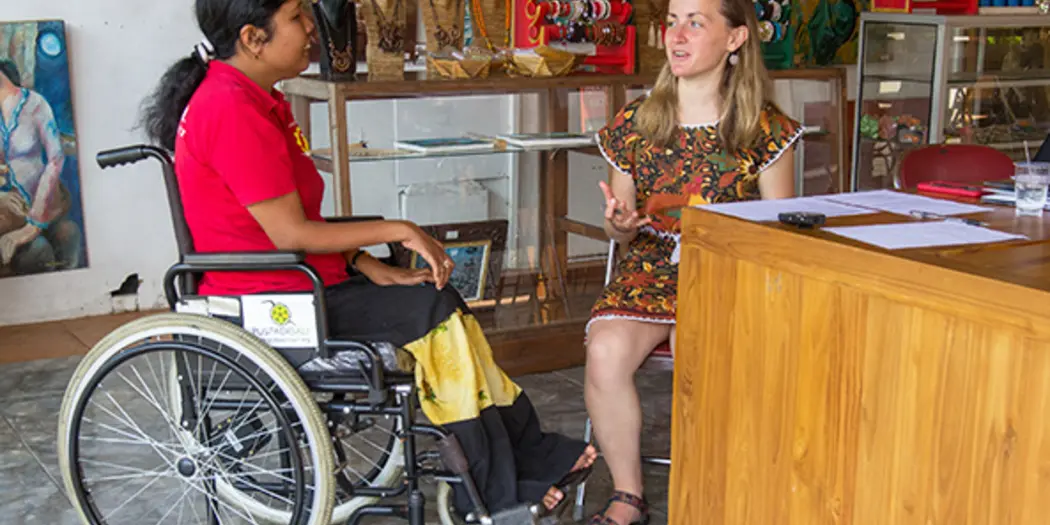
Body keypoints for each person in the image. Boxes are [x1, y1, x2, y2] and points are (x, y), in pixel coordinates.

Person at [138, 0, 596, 518]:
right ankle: (492, 493)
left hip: (294, 279)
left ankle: (525, 455)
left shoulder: (250, 98)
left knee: (439, 299)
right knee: (434, 317)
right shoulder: (230, 109)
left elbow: (276, 227)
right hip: (271, 299)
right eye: (295, 17)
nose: (311, 26)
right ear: (252, 38)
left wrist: (363, 260)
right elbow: (289, 231)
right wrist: (399, 229)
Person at [584, 0, 801, 521]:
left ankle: (705, 490)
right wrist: (620, 223)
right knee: (606, 348)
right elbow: (619, 228)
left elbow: (781, 234)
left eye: (695, 23)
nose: (676, 36)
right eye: (672, 22)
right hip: (652, 269)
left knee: (698, 350)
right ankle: (628, 496)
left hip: (729, 273)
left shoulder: (766, 130)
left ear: (735, 40)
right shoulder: (637, 120)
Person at [0, 58, 83, 274]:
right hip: (9, 211)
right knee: (37, 252)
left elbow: (55, 160)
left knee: (68, 236)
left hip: (44, 202)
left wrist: (34, 224)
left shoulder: (35, 105)